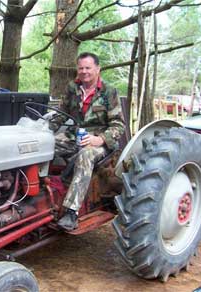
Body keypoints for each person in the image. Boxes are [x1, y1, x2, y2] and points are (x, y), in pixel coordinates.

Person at [55, 52, 125, 231]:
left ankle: (71, 212)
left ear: (97, 69)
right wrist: (43, 130)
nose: (84, 72)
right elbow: (60, 114)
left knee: (86, 154)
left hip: (100, 141)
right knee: (46, 145)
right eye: (81, 68)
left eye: (88, 68)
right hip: (76, 135)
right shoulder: (72, 87)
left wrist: (99, 139)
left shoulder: (109, 91)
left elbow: (118, 125)